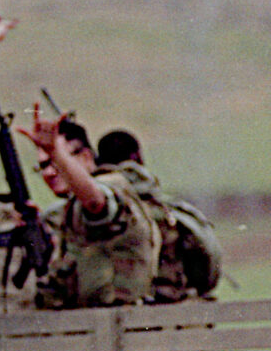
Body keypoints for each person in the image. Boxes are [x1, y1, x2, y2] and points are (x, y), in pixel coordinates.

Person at [19, 107, 160, 309]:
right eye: (43, 166)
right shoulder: (66, 211)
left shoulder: (111, 188)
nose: (49, 173)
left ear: (86, 157)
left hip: (114, 320)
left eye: (55, 162)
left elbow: (96, 203)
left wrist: (57, 153)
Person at [95, 129, 222, 302]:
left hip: (118, 306)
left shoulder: (97, 211)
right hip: (172, 303)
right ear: (139, 158)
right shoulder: (167, 210)